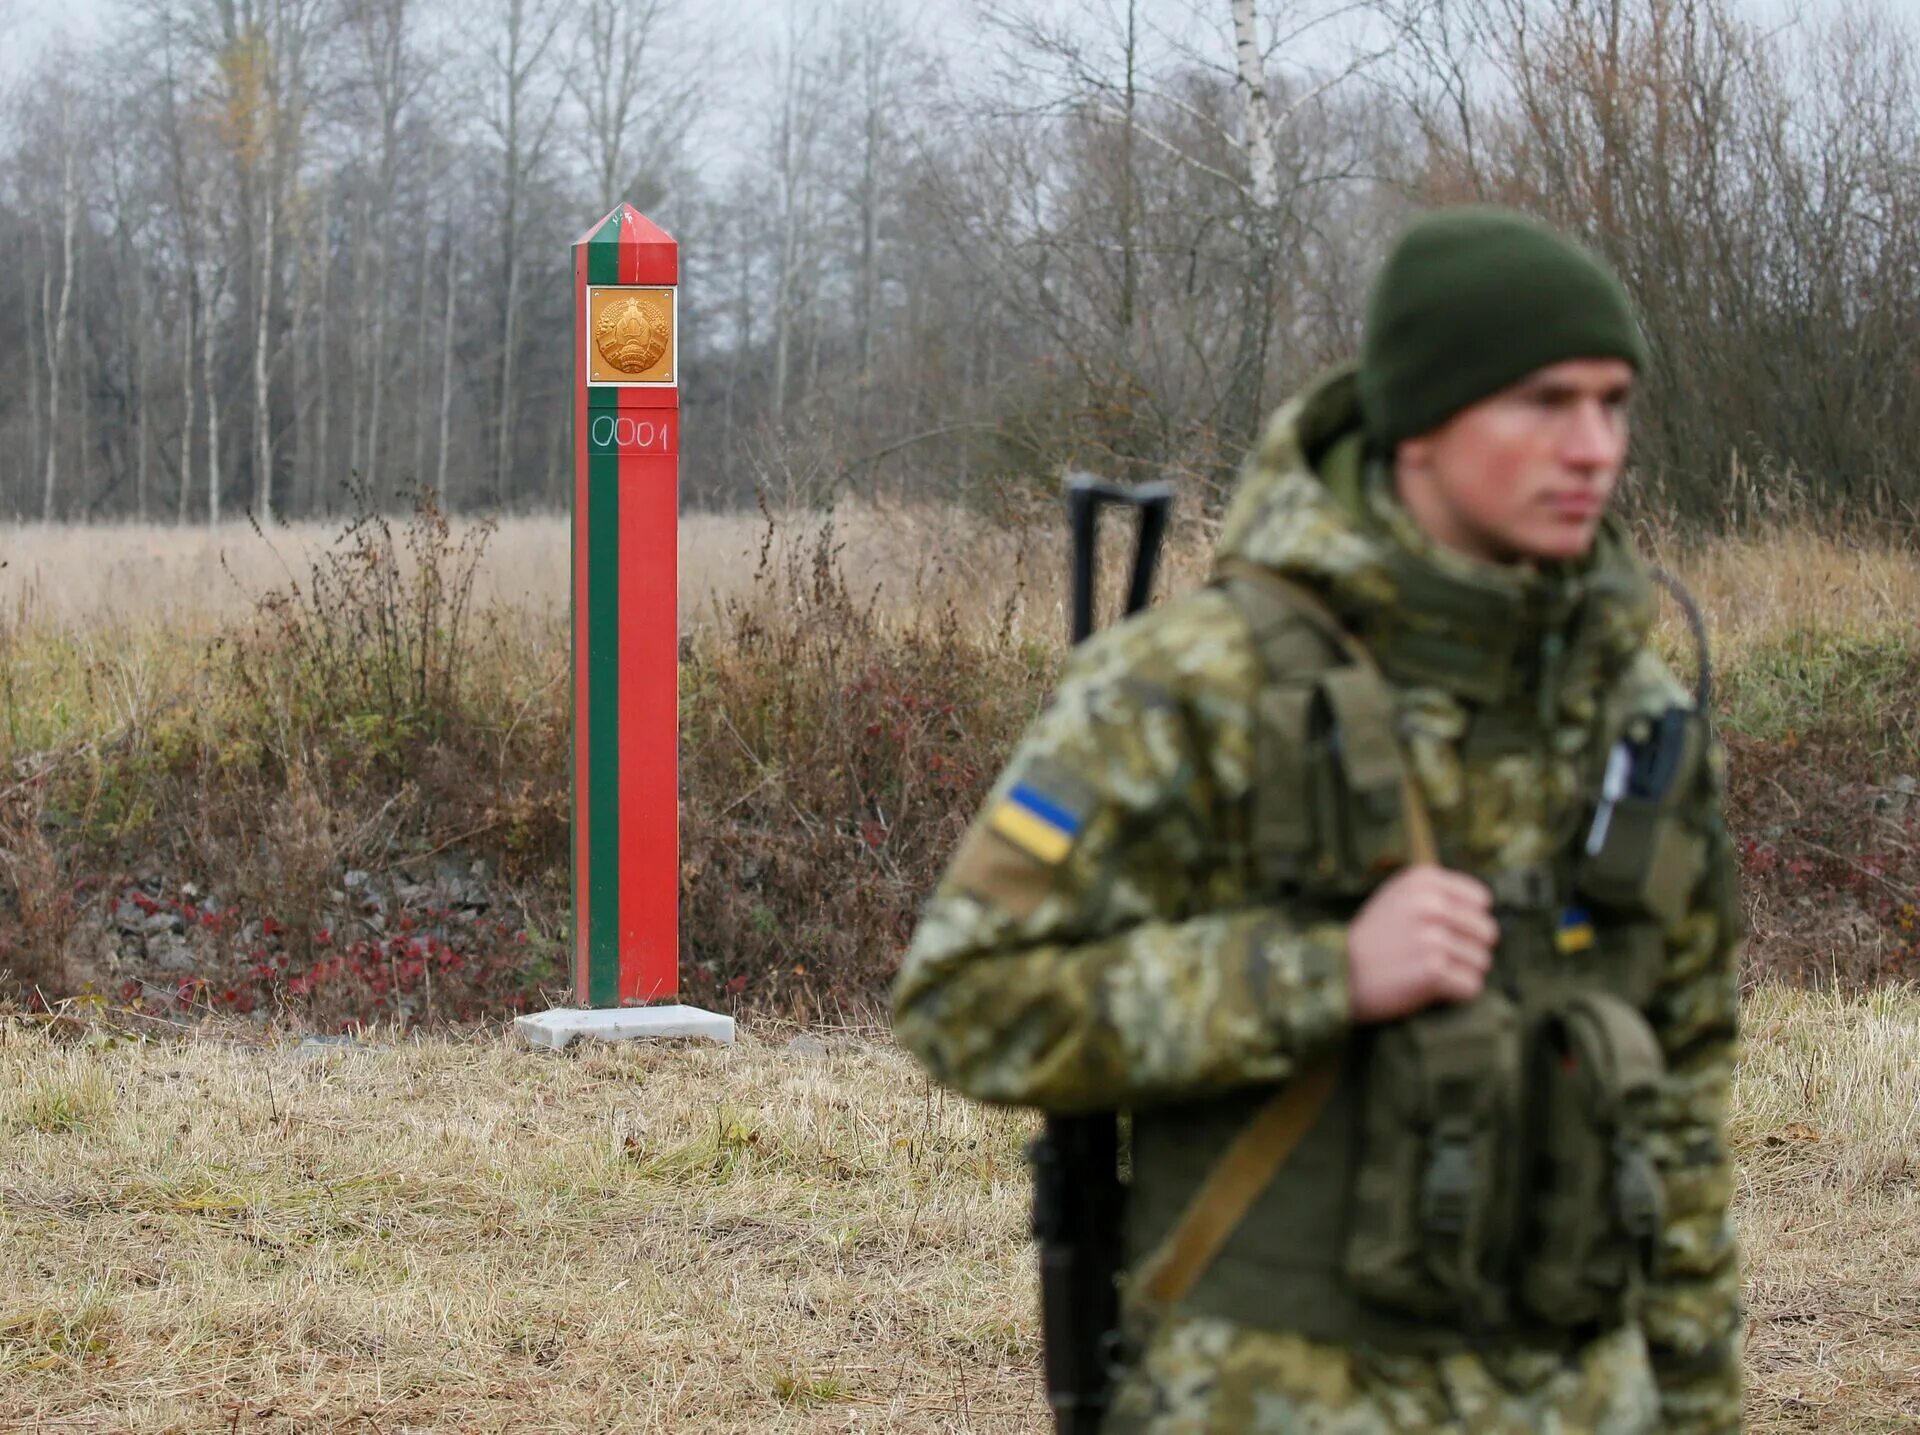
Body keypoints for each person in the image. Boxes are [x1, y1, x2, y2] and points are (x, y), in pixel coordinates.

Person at [891, 207, 1744, 1433]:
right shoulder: (1196, 685)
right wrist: (1320, 972)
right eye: (1544, 402)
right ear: (1421, 422)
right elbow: (964, 1001)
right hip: (1273, 1399)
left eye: (1615, 404)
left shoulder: (1637, 719)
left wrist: (1700, 1406)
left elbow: (1682, 1112)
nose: (1593, 447)